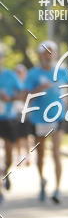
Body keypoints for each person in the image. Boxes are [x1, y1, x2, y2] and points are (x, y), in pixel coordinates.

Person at [22, 41, 68, 203]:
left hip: (58, 116)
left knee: (56, 152)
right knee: (41, 154)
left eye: (50, 52)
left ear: (55, 54)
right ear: (40, 55)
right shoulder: (33, 74)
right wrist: (39, 89)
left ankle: (57, 189)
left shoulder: (62, 71)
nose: (48, 55)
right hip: (38, 118)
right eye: (45, 53)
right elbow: (25, 95)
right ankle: (42, 180)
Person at [0, 45, 21, 202]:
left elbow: (21, 93)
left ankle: (5, 172)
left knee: (8, 154)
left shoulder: (10, 75)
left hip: (8, 118)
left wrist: (10, 98)